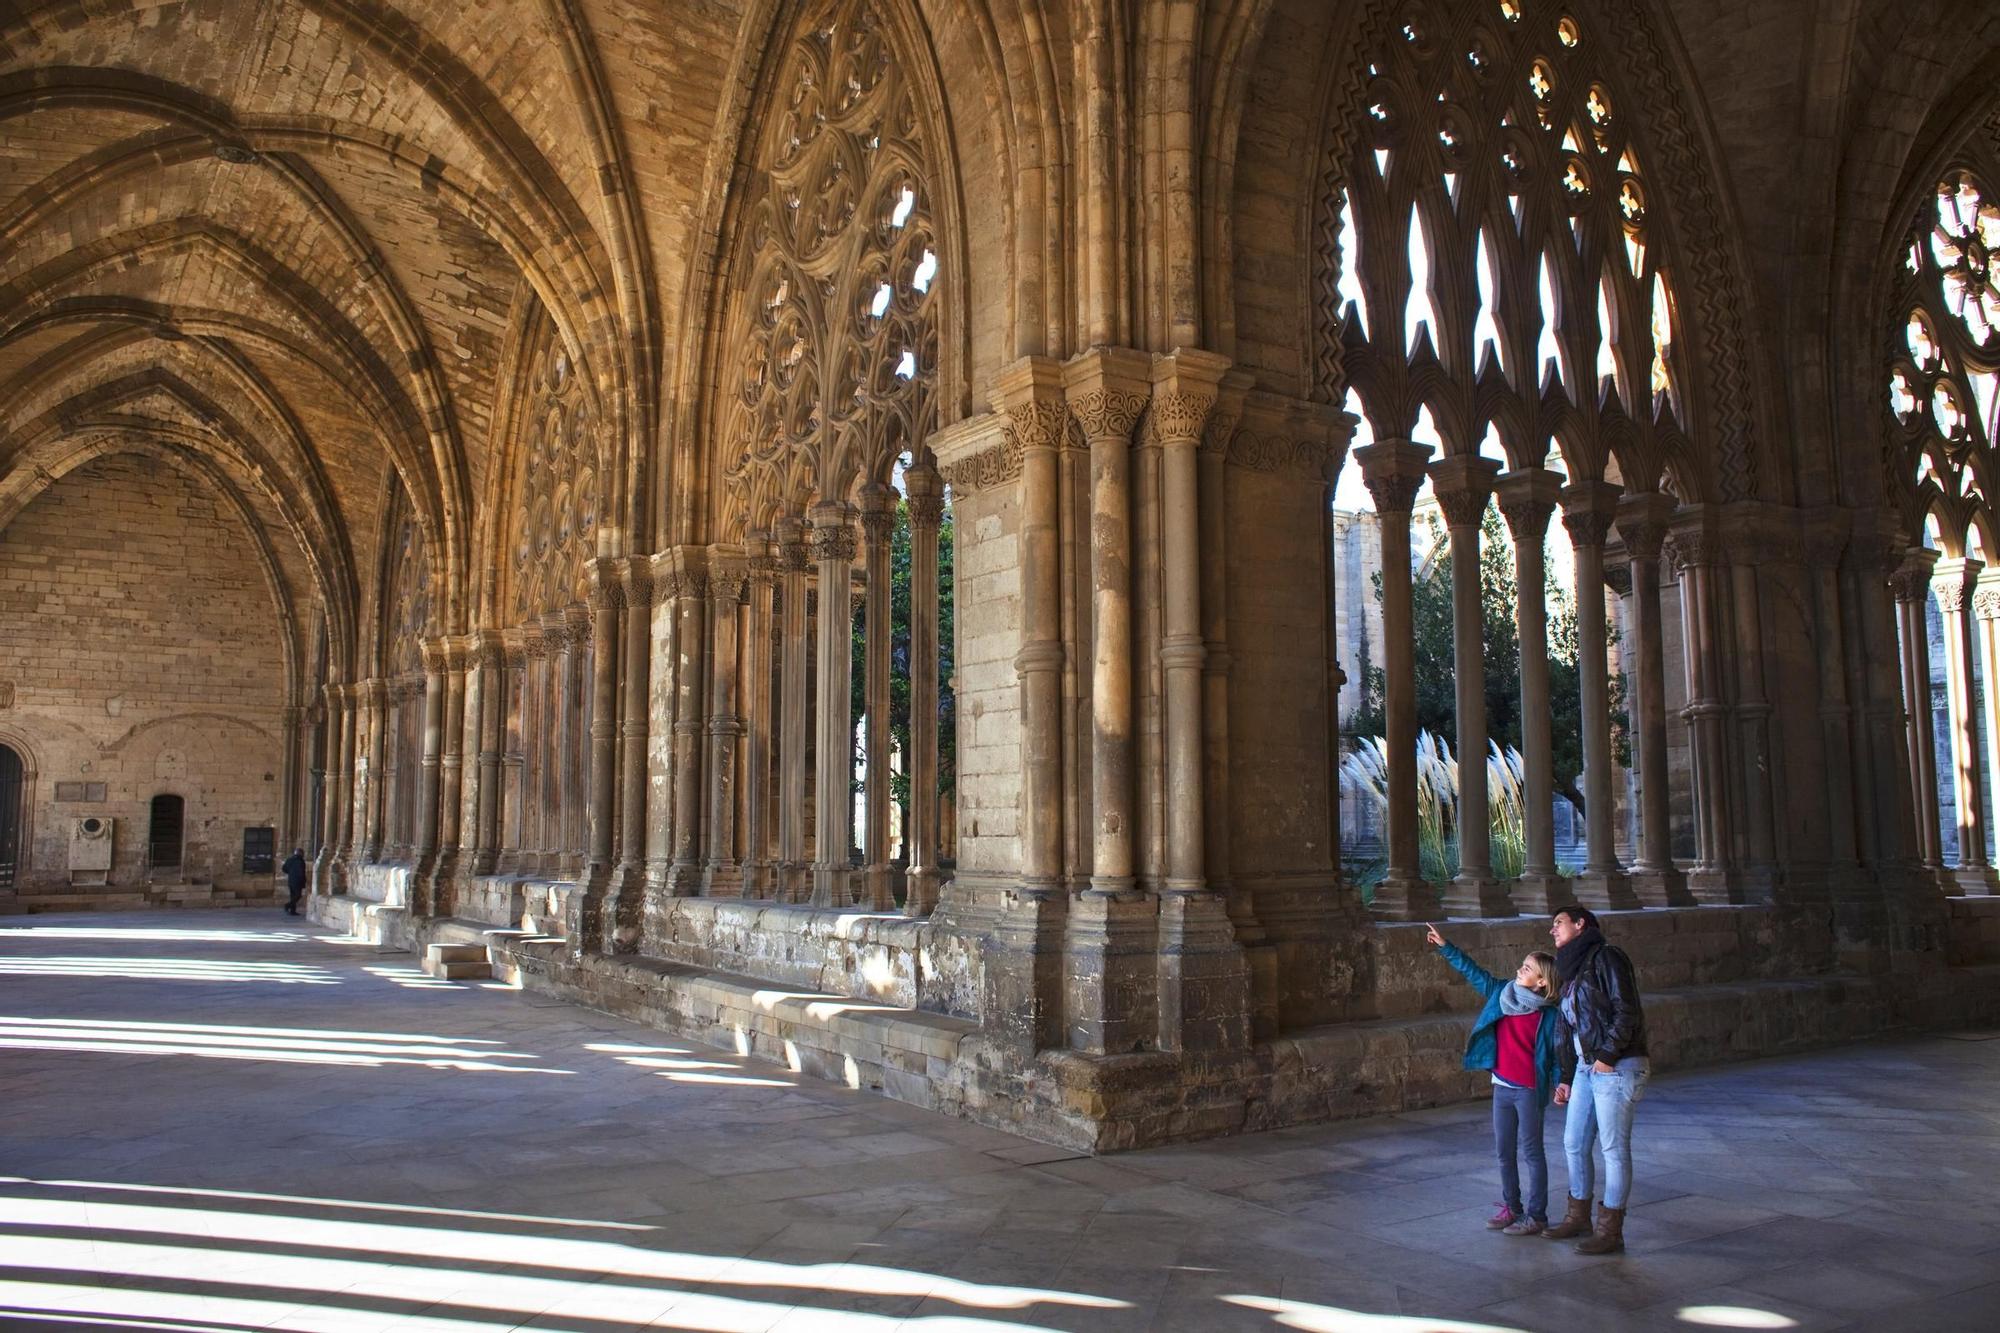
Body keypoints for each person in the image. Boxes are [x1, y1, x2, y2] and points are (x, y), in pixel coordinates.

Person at [1424, 923, 1562, 1236]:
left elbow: (1555, 1054)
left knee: (1532, 1152)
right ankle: (1512, 1207)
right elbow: (1473, 972)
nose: (1519, 969)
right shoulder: (1502, 993)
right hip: (1502, 1086)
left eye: (1527, 968)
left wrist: (1560, 1084)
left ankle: (1537, 1215)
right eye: (1522, 965)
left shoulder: (1549, 1015)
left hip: (1528, 1090)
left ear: (1541, 983)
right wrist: (1446, 946)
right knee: (1504, 1152)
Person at [1546, 904, 1650, 1255]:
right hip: (1584, 1068)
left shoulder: (1607, 957)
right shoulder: (1572, 970)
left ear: (1580, 924)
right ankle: (1578, 1216)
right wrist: (1565, 1076)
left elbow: (1626, 1010)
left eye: (1558, 923)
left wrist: (1607, 1056)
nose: (1553, 930)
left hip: (1615, 1066)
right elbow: (1569, 1026)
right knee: (1574, 1142)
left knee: (1613, 1149)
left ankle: (1611, 1231)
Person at [281, 847, 308, 916]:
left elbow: (284, 868)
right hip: (298, 881)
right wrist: (303, 880)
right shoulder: (300, 860)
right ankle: (288, 905)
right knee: (298, 895)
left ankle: (292, 911)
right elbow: (301, 872)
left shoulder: (290, 859)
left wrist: (290, 873)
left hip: (291, 880)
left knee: (293, 896)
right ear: (301, 853)